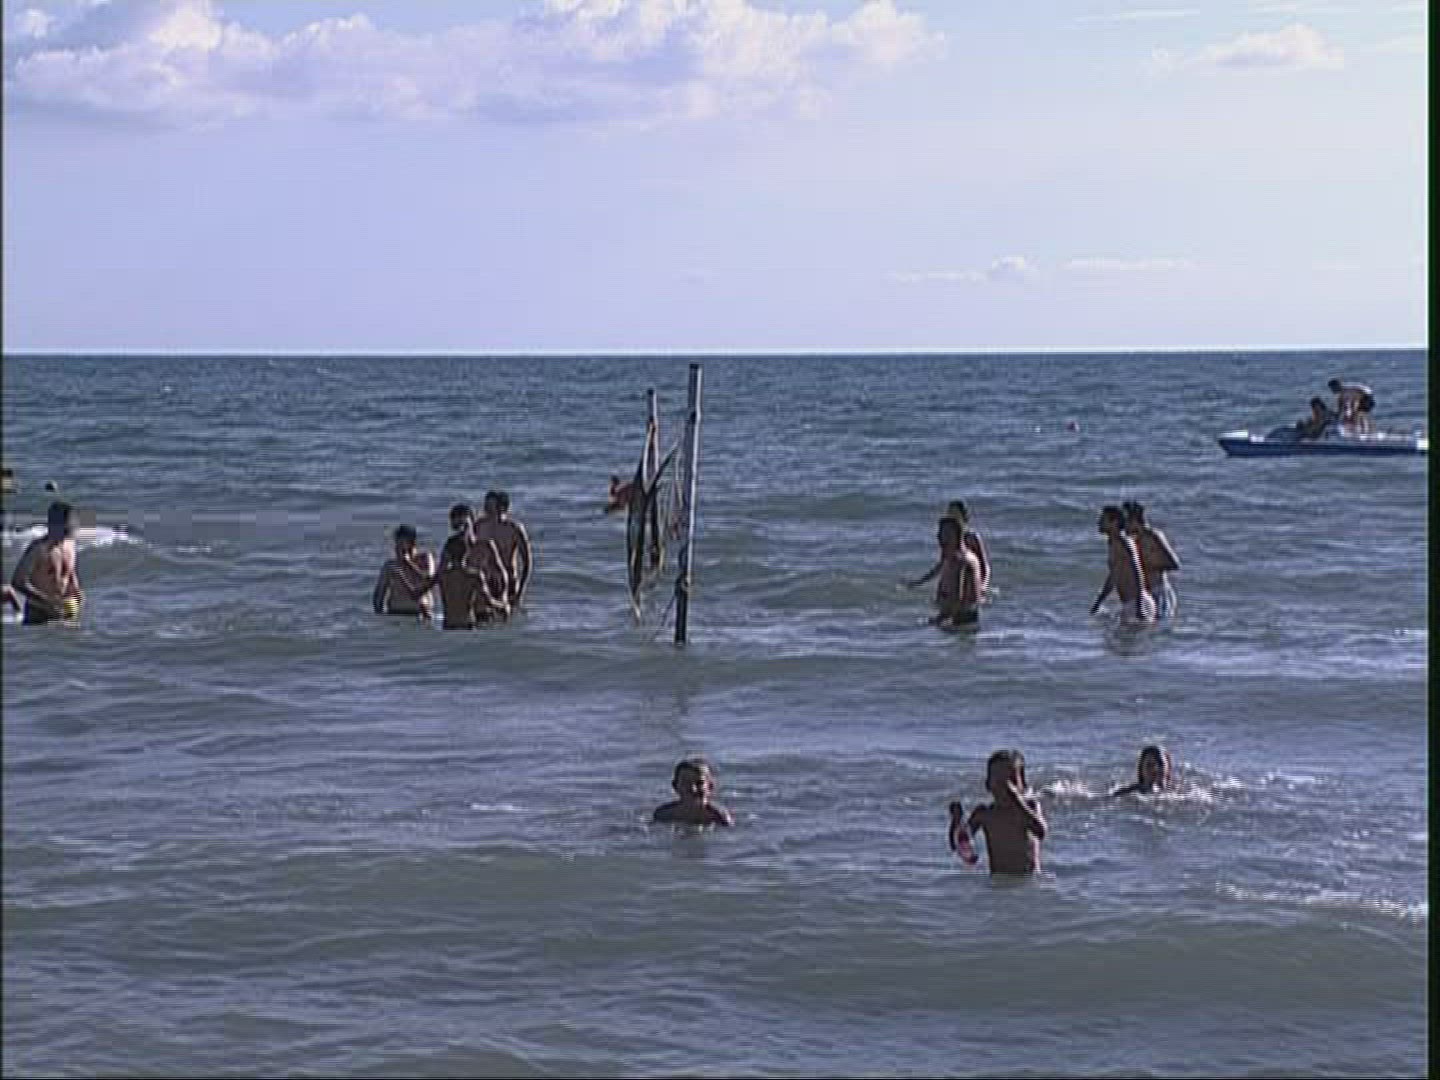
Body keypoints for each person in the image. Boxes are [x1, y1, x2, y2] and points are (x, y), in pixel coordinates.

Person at [413, 503, 507, 629]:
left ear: (472, 522)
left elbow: (500, 574)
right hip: (461, 610)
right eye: (457, 527)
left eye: (464, 525)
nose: (462, 531)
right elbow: (439, 574)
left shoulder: (485, 546)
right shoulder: (451, 545)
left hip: (484, 607)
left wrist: (503, 597)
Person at [956, 750, 1046, 874]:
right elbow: (962, 841)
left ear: (1023, 785)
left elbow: (1040, 831)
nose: (1005, 787)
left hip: (1028, 877)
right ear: (988, 784)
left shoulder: (1029, 807)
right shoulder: (984, 813)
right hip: (998, 877)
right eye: (999, 781)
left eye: (1012, 780)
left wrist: (1017, 801)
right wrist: (957, 822)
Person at [10, 501, 84, 625]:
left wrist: (77, 593)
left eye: (74, 522)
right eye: (70, 523)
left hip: (64, 611)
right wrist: (47, 601)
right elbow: (18, 582)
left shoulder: (70, 544)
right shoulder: (38, 549)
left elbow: (69, 573)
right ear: (53, 523)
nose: (74, 526)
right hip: (38, 614)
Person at [913, 516, 982, 629]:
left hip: (960, 616)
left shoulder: (959, 559)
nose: (939, 536)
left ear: (956, 534)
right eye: (939, 532)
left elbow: (957, 595)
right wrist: (917, 582)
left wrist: (942, 618)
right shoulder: (956, 555)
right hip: (964, 613)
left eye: (944, 533)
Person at [1090, 505, 1156, 623]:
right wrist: (1099, 602)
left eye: (1103, 520)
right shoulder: (1113, 543)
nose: (1099, 523)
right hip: (1129, 603)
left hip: (1137, 603)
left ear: (1114, 522)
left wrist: (1140, 606)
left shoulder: (1124, 541)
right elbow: (1114, 575)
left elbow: (1137, 570)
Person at [1122, 501, 1180, 618]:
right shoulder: (1132, 539)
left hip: (1158, 591)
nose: (1123, 527)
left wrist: (1146, 566)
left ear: (1134, 520)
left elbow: (1173, 564)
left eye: (1125, 522)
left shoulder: (1153, 536)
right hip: (1144, 594)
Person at [475, 490, 533, 607]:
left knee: (508, 613)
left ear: (502, 507)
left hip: (509, 580)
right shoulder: (479, 525)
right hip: (487, 580)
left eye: (490, 506)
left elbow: (527, 561)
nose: (486, 509)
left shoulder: (514, 529)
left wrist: (520, 591)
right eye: (486, 506)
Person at [371, 525, 435, 619]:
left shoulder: (424, 558)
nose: (398, 546)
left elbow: (429, 580)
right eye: (397, 542)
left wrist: (409, 564)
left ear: (412, 542)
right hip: (395, 612)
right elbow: (380, 592)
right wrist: (379, 614)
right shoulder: (390, 565)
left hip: (419, 613)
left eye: (401, 542)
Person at [652, 757, 734, 827]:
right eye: (686, 783)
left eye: (699, 783)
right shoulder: (664, 814)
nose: (693, 788)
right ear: (675, 786)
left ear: (710, 786)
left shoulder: (718, 816)